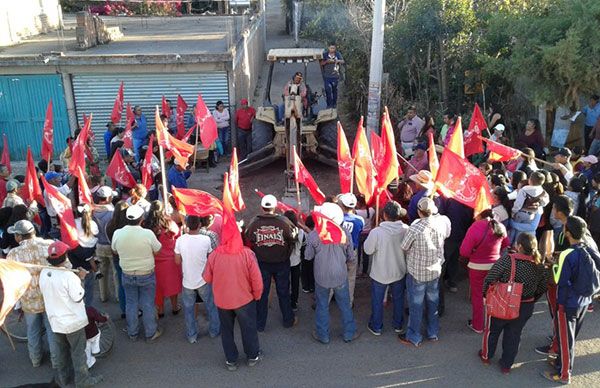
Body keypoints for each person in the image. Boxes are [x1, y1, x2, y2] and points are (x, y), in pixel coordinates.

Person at [480, 233, 547, 374]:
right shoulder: (539, 265)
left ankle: (486, 356)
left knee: (492, 331)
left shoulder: (507, 261)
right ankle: (506, 365)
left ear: (520, 246)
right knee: (514, 335)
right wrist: (532, 299)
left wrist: (485, 294)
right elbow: (542, 286)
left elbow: (490, 278)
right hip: (525, 306)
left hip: (502, 303)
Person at [39, 240, 103, 387]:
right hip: (73, 322)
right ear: (65, 256)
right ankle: (83, 381)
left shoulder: (44, 272)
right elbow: (78, 296)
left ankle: (63, 380)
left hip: (55, 321)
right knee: (78, 353)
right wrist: (80, 278)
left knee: (62, 353)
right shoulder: (68, 276)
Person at [203, 225, 264, 371]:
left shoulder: (214, 255)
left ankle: (231, 360)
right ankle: (252, 356)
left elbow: (206, 277)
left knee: (227, 330)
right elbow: (257, 279)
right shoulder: (247, 254)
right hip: (244, 299)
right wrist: (257, 294)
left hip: (222, 301)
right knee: (248, 328)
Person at [399, 197, 451, 347]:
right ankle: (432, 332)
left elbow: (404, 246)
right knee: (433, 302)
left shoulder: (414, 228)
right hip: (435, 270)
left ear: (419, 212)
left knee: (416, 305)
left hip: (418, 272)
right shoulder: (440, 225)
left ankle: (414, 335)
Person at [6, 220, 58, 368]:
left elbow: (12, 279)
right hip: (49, 296)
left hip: (29, 299)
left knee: (32, 330)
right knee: (51, 330)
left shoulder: (13, 254)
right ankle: (56, 361)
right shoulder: (48, 245)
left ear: (18, 236)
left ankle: (36, 359)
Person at [305, 203, 360, 344]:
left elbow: (308, 256)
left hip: (321, 277)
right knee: (345, 305)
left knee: (322, 305)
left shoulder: (313, 235)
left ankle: (322, 335)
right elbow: (351, 257)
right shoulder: (345, 233)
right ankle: (349, 333)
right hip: (340, 276)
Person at [245, 194, 297, 331]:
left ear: (262, 207)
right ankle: (288, 320)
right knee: (284, 292)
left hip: (262, 263)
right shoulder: (284, 221)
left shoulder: (254, 222)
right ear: (275, 207)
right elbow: (293, 237)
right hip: (281, 262)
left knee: (262, 293)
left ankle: (260, 324)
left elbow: (248, 236)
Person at [111, 204, 163, 341]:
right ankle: (150, 332)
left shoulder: (118, 233)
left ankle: (132, 332)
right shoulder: (147, 234)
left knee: (131, 303)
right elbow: (158, 250)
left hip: (127, 273)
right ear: (142, 219)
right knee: (147, 303)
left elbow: (114, 250)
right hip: (146, 273)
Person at [459, 209, 510, 334]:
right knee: (492, 295)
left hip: (477, 267)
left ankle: (478, 325)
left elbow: (464, 251)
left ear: (481, 215)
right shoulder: (500, 226)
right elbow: (506, 244)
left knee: (477, 296)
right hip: (495, 266)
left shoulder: (476, 227)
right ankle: (492, 323)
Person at [364, 201, 409, 335]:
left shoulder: (377, 232)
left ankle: (376, 326)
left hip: (380, 272)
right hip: (399, 270)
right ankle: (398, 324)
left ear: (384, 214)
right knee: (399, 299)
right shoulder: (406, 229)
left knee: (377, 300)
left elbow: (368, 250)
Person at [175, 215, 220, 343]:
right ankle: (214, 331)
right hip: (204, 280)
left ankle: (191, 336)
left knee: (189, 310)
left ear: (187, 225)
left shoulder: (180, 240)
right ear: (199, 225)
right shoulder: (206, 240)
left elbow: (177, 261)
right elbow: (211, 258)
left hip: (188, 281)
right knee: (211, 306)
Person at [144, 200, 182, 318]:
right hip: (170, 260)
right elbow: (178, 235)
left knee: (158, 287)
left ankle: (160, 310)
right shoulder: (169, 223)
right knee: (173, 285)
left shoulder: (146, 225)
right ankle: (175, 307)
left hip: (155, 260)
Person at [70, 204, 99, 306]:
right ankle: (89, 308)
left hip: (76, 256)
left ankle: (79, 305)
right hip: (89, 255)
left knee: (77, 284)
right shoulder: (93, 224)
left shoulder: (73, 224)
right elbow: (96, 233)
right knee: (89, 285)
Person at [92, 186, 116, 303]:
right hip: (110, 245)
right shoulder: (112, 212)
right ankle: (118, 296)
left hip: (98, 245)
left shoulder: (92, 211)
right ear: (107, 198)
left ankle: (103, 296)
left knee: (102, 272)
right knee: (115, 272)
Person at [105, 201, 130, 318]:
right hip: (129, 258)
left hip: (117, 258)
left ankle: (124, 310)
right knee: (132, 286)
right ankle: (134, 308)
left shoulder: (109, 226)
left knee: (121, 285)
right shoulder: (129, 227)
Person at [339, 193, 364, 305]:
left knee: (336, 275)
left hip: (339, 251)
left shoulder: (337, 219)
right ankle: (349, 301)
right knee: (351, 277)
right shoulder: (359, 220)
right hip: (353, 250)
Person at [283, 211, 305, 312]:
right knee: (295, 283)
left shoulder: (282, 232)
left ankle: (285, 302)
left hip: (285, 261)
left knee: (285, 282)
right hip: (296, 261)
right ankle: (294, 302)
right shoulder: (301, 233)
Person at [320, 44, 344, 109]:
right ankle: (329, 104)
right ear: (328, 48)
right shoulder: (325, 54)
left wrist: (336, 61)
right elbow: (321, 63)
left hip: (335, 76)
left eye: (333, 48)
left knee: (334, 90)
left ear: (335, 48)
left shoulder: (337, 54)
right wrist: (327, 62)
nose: (332, 50)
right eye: (331, 48)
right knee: (327, 90)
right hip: (327, 76)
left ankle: (334, 104)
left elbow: (342, 61)